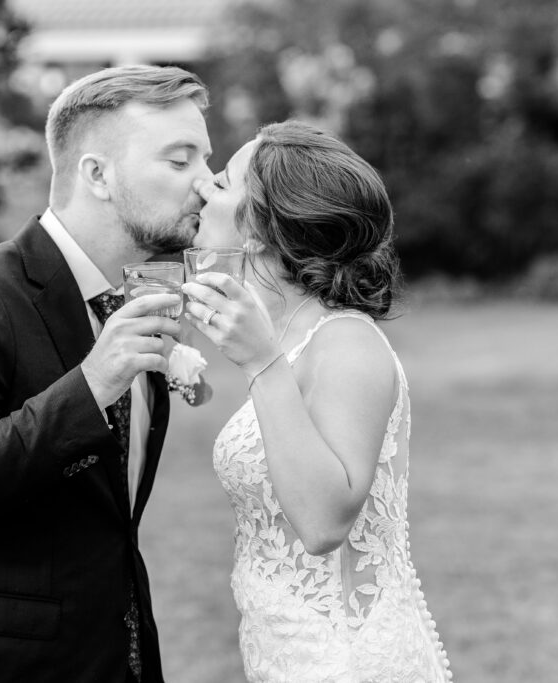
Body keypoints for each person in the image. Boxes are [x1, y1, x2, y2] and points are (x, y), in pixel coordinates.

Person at [0, 65, 213, 683]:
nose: (207, 183)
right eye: (179, 160)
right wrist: (92, 386)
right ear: (97, 175)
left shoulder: (138, 303)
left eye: (206, 159)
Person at [182, 120, 452, 682]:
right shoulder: (292, 340)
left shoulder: (348, 344)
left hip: (345, 662)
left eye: (224, 182)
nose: (204, 187)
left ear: (256, 228)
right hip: (284, 656)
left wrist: (260, 365)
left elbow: (323, 523)